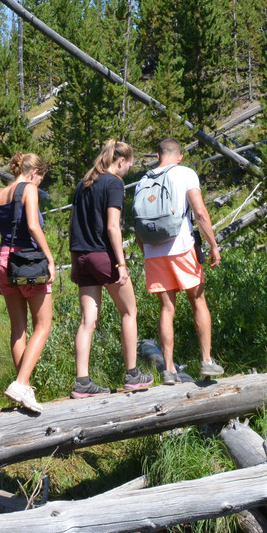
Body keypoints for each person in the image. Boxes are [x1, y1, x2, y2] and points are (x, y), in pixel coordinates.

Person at [68, 139, 154, 396]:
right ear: (120, 161)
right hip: (103, 256)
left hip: (82, 255)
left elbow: (73, 224)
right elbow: (112, 227)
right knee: (129, 311)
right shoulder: (114, 183)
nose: (128, 169)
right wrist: (122, 263)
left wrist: (74, 260)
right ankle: (133, 374)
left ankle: (82, 382)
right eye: (129, 164)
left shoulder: (83, 184)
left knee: (87, 321)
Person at [140, 138, 223, 384]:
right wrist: (213, 245)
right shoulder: (186, 173)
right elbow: (199, 212)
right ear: (180, 156)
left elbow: (137, 221)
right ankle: (207, 361)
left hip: (153, 251)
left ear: (158, 155)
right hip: (182, 246)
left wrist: (146, 250)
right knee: (198, 301)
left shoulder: (144, 180)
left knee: (166, 308)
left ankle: (168, 370)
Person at [0, 153, 56, 414]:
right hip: (29, 262)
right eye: (40, 179)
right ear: (34, 172)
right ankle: (22, 382)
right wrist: (50, 258)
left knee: (18, 330)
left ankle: (22, 389)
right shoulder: (28, 190)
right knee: (43, 325)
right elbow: (34, 227)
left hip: (5, 261)